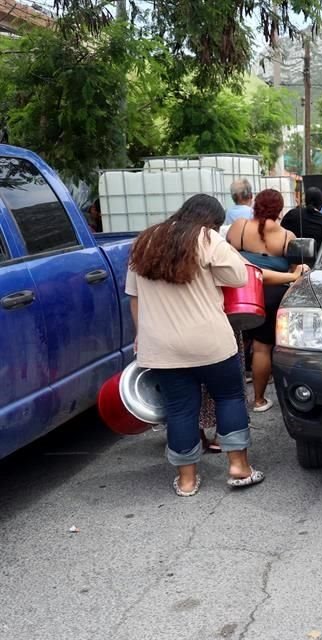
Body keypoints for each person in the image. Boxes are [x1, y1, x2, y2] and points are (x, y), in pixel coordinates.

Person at [125, 194, 264, 496]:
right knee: (229, 397)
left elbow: (134, 298)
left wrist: (141, 335)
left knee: (179, 410)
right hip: (210, 342)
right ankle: (239, 467)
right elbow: (239, 277)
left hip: (162, 347)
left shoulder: (146, 241)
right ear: (211, 221)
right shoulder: (207, 238)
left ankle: (187, 481)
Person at [226, 189, 305, 412]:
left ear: (255, 204)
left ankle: (230, 400)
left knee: (231, 347)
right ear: (280, 210)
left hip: (239, 293)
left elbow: (226, 259)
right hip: (272, 296)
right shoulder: (287, 236)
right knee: (262, 348)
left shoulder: (239, 227)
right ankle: (259, 400)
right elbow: (294, 270)